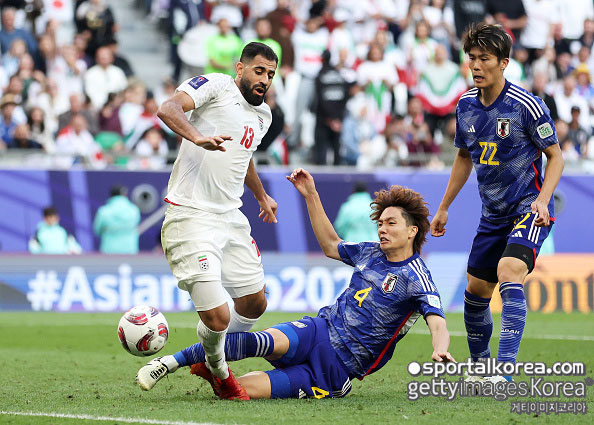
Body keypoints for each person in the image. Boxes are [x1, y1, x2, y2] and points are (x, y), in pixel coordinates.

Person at [137, 169, 454, 400]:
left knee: (236, 392)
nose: (382, 229)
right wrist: (311, 195)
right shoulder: (370, 252)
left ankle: (215, 371)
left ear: (412, 231)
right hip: (319, 330)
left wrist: (440, 349)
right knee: (258, 341)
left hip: (334, 370)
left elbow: (437, 320)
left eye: (391, 223)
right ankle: (167, 363)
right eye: (381, 223)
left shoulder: (417, 277)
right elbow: (331, 245)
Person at [430, 23, 564, 382]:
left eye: (483, 58)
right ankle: (481, 367)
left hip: (528, 210)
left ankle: (503, 372)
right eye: (471, 58)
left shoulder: (527, 106)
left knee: (509, 271)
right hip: (492, 216)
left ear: (503, 63)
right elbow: (463, 157)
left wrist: (544, 200)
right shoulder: (465, 106)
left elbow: (556, 156)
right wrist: (444, 206)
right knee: (474, 293)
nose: (475, 65)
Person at [150, 42, 279, 400]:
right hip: (190, 214)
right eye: (258, 71)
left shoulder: (263, 116)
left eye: (270, 74)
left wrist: (260, 195)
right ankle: (219, 373)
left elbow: (244, 154)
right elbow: (168, 108)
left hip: (230, 216)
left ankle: (210, 357)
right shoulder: (217, 85)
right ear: (240, 68)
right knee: (218, 319)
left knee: (255, 303)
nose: (264, 80)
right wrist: (197, 137)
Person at [93, 185, 141, 254]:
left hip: (109, 251)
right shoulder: (134, 210)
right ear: (124, 194)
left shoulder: (103, 211)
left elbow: (97, 230)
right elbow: (136, 225)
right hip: (130, 250)